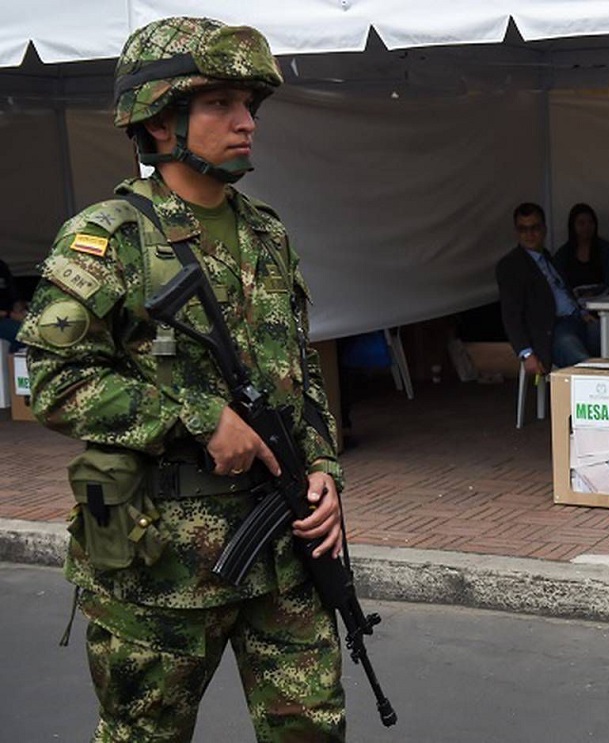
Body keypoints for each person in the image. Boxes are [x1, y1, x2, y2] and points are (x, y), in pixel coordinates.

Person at [17, 17, 348, 740]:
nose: (245, 122)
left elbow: (301, 376)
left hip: (284, 546)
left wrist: (323, 470)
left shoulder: (267, 232)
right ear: (161, 120)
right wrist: (196, 416)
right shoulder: (106, 238)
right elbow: (51, 379)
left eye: (250, 106)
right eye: (221, 103)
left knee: (313, 728)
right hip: (160, 561)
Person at [497, 202, 609, 375]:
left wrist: (581, 313)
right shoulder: (511, 265)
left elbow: (561, 292)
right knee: (584, 364)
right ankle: (605, 396)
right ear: (516, 232)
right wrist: (526, 353)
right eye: (523, 229)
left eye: (535, 228)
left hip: (578, 321)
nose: (529, 234)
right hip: (551, 331)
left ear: (544, 229)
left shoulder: (548, 257)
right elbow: (511, 315)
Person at [553, 203, 609, 295]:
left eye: (591, 222)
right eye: (581, 223)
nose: (587, 227)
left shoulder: (606, 250)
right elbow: (560, 285)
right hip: (572, 304)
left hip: (603, 303)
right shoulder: (563, 254)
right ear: (573, 226)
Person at [0, 258, 26, 350]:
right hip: (5, 317)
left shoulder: (1, 266)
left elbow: (14, 296)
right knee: (22, 333)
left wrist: (20, 308)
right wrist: (9, 315)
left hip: (9, 315)